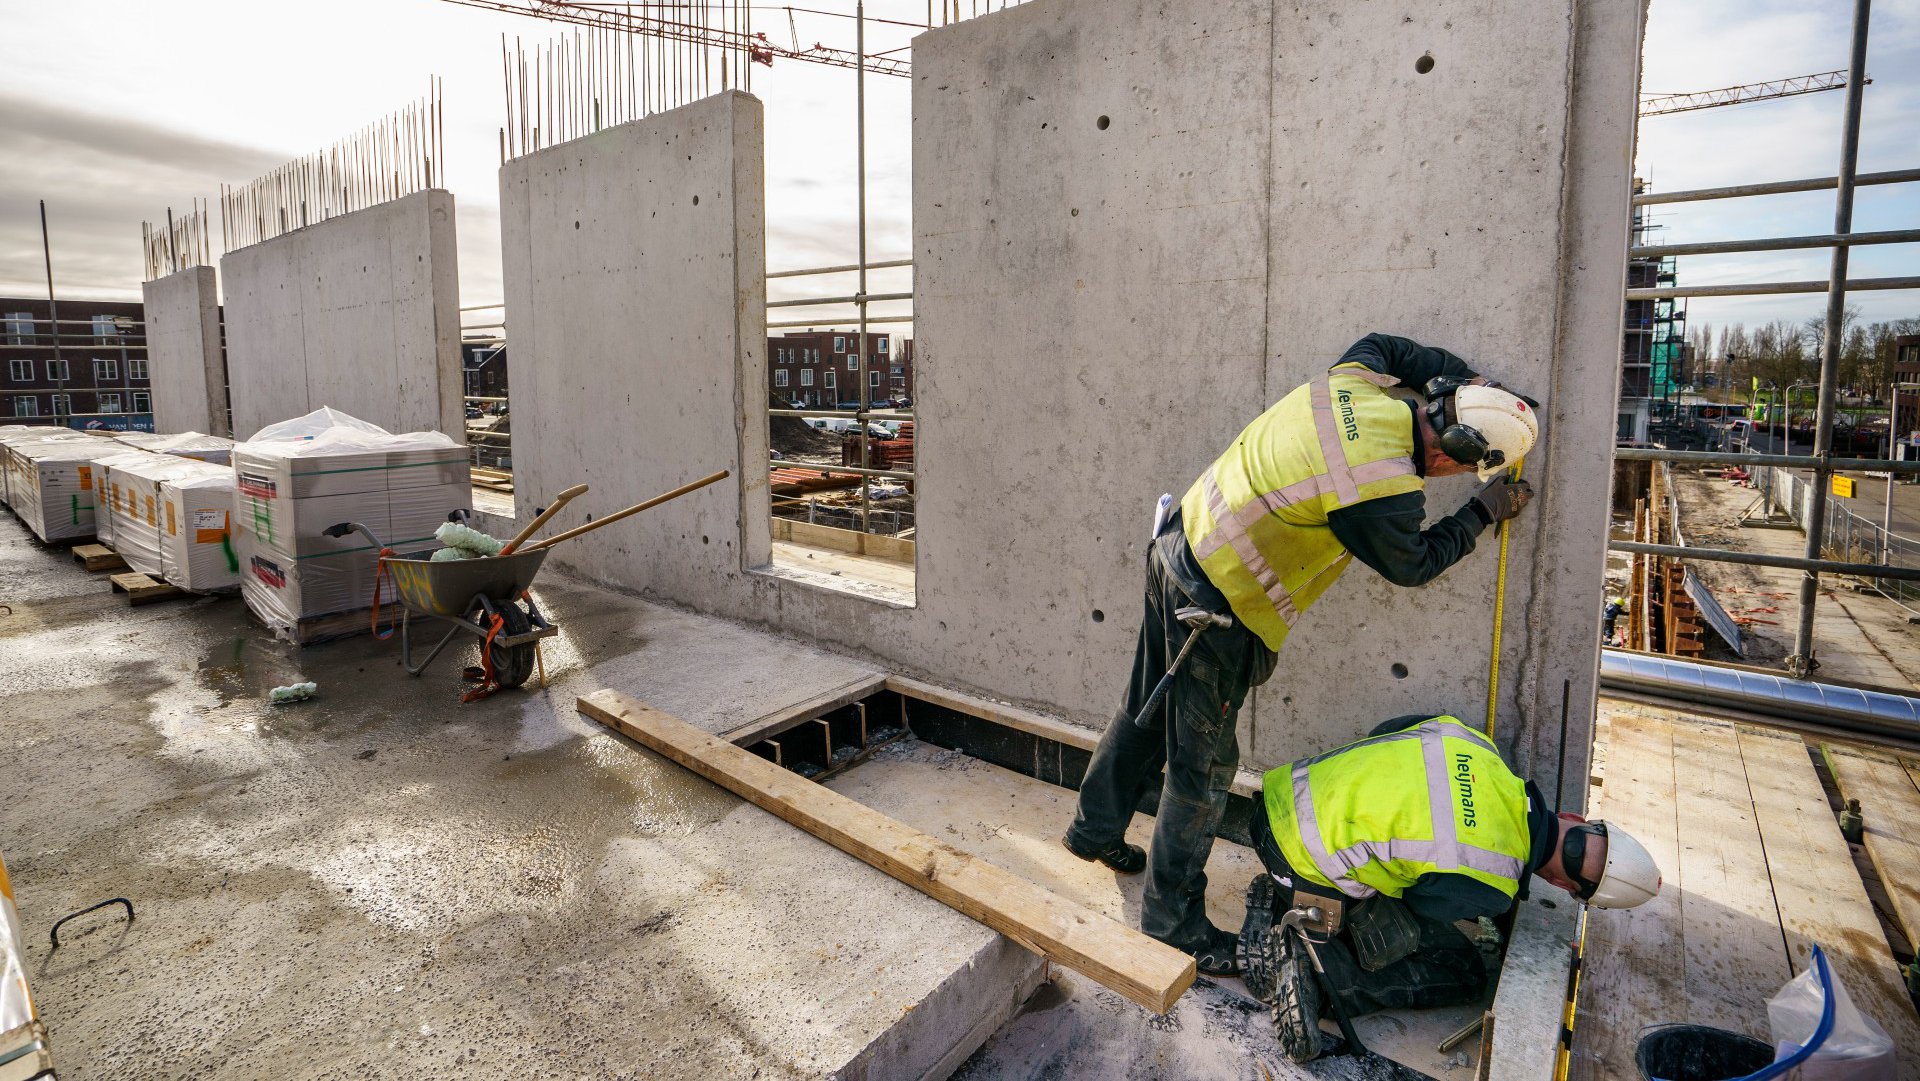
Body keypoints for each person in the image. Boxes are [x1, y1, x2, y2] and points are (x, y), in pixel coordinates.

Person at [1062, 333, 1542, 975]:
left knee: (1143, 708)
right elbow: (1415, 563)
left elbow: (1388, 345)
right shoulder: (1384, 489)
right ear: (1458, 456)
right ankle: (1172, 924)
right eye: (1468, 470)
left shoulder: (1355, 382)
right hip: (1218, 607)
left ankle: (1092, 831)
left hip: (1180, 542)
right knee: (1201, 770)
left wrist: (1473, 382)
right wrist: (1482, 512)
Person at [1238, 713, 1661, 1062]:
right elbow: (1415, 907)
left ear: (1575, 817)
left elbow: (1382, 732)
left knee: (1382, 864)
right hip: (1302, 862)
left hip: (1276, 798)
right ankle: (1320, 977)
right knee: (1461, 969)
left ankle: (1285, 905)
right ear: (1557, 883)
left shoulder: (1477, 745)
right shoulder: (1493, 882)